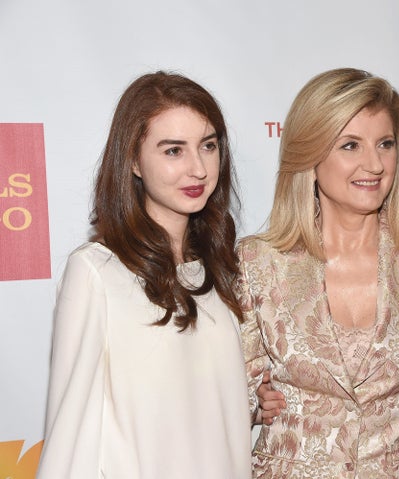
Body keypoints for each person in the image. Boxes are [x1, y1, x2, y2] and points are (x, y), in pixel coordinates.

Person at [235, 67, 399, 478]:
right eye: (350, 145)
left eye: (385, 144)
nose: (374, 164)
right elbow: (233, 391)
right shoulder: (258, 263)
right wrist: (253, 401)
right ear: (310, 155)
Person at [36, 71, 252, 478]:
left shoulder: (219, 267)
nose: (198, 169)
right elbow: (69, 432)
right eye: (173, 151)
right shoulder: (96, 272)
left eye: (208, 146)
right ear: (133, 160)